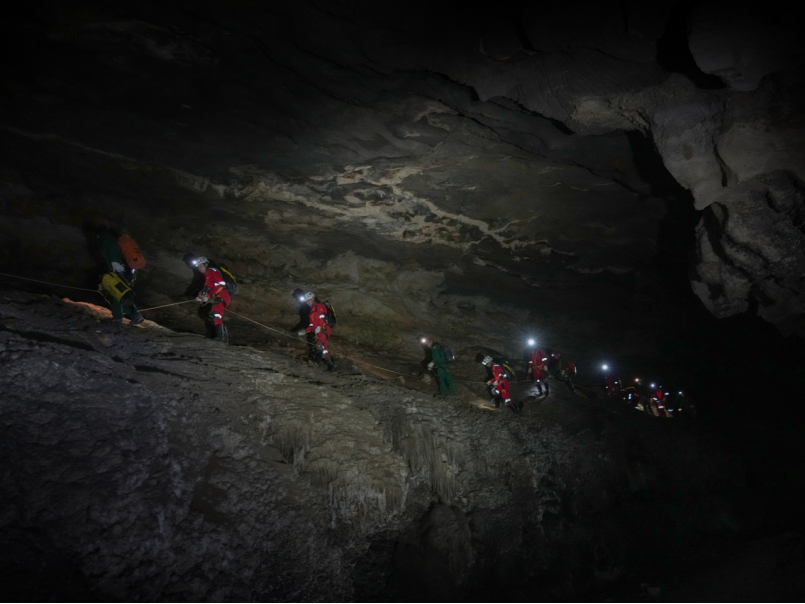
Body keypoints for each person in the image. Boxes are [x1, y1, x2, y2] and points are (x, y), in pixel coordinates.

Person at [97, 229, 143, 326]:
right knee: (121, 294)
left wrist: (114, 263)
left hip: (119, 270)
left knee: (117, 294)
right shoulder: (111, 239)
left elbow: (112, 251)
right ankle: (134, 316)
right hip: (124, 269)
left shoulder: (106, 239)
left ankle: (119, 317)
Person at [192, 256, 230, 343]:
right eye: (198, 267)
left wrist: (201, 295)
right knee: (214, 315)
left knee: (216, 315)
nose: (199, 268)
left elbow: (207, 288)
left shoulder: (210, 271)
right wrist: (204, 298)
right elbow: (211, 290)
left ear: (206, 265)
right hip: (220, 295)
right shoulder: (210, 273)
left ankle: (221, 338)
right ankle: (223, 338)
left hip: (221, 295)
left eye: (201, 266)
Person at [297, 292, 336, 371]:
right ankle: (333, 367)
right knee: (323, 352)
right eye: (306, 301)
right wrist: (305, 331)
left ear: (313, 298)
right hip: (317, 332)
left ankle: (315, 362)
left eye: (308, 300)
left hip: (324, 329)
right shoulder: (311, 312)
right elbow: (312, 325)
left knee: (319, 346)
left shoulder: (319, 306)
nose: (307, 302)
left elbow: (323, 317)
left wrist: (319, 326)